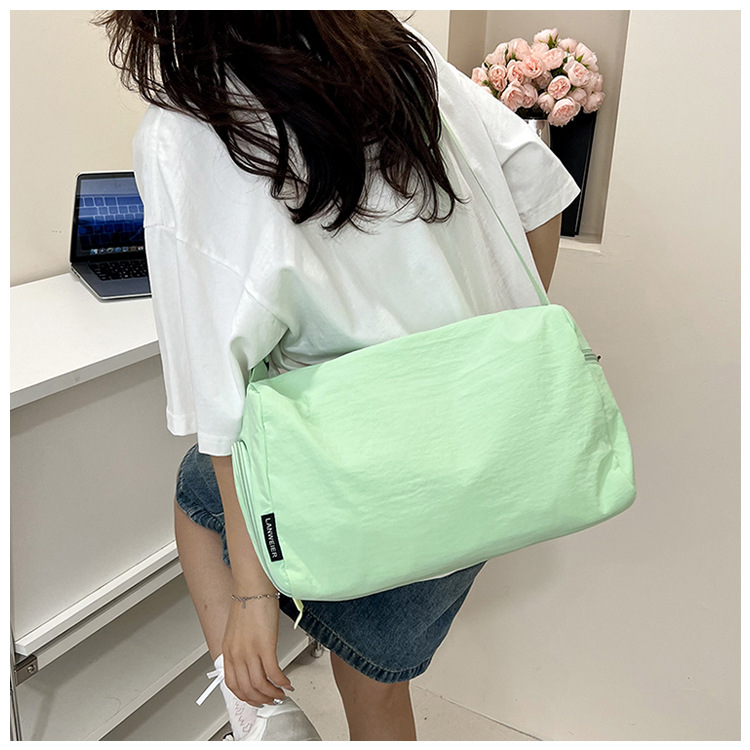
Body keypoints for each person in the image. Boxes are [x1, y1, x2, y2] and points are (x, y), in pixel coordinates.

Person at [97, 10, 579, 742]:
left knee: (199, 492)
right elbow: (539, 192)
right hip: (483, 462)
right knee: (378, 688)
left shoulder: (187, 129)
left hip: (357, 476)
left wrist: (253, 599)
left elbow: (219, 399)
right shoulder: (400, 55)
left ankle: (259, 713)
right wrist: (494, 352)